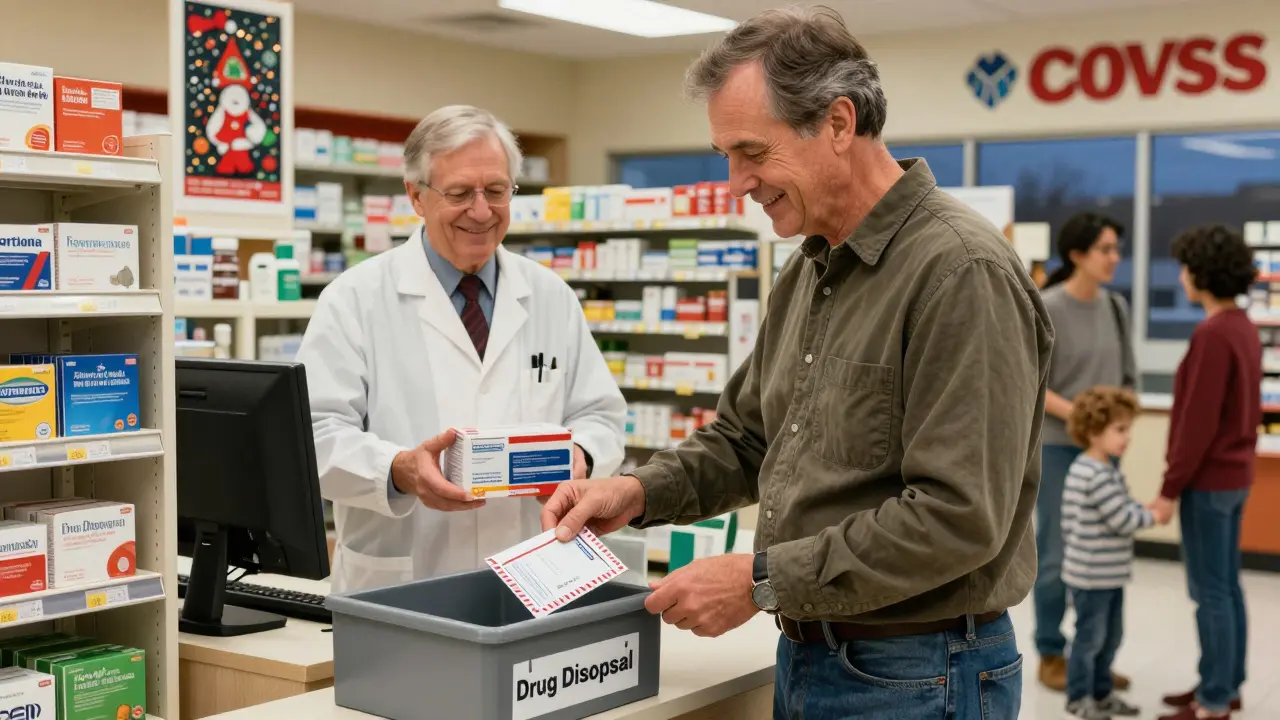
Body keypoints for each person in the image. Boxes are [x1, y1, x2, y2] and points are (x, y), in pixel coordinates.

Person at [539, 7, 1054, 719]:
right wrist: (635, 493)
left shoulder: (959, 273)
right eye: (725, 155)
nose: (736, 183)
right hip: (815, 655)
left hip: (919, 672)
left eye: (752, 151)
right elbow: (749, 439)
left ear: (838, 123)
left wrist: (758, 581)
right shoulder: (811, 268)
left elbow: (958, 517)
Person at [296, 105, 627, 594]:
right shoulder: (354, 299)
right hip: (402, 581)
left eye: (496, 191)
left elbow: (602, 414)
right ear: (416, 196)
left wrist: (582, 454)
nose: (481, 210)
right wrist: (398, 470)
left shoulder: (550, 295)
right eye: (459, 193)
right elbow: (314, 436)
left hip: (534, 574)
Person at [1154, 224, 1259, 720]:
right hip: (1236, 477)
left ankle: (1214, 701)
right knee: (1227, 585)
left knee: (1210, 591)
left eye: (1185, 266)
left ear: (1201, 272)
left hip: (1209, 481)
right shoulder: (1243, 326)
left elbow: (1196, 423)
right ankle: (1225, 683)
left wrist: (1168, 488)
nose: (1180, 274)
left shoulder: (1213, 333)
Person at [1034, 212, 1137, 692]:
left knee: (1105, 555)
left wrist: (1114, 430)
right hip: (1058, 449)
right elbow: (1031, 382)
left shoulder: (1116, 307)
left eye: (1117, 249)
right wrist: (1085, 418)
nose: (1115, 258)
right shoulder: (1047, 306)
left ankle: (1090, 655)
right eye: (1106, 249)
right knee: (1056, 554)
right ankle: (1051, 651)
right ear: (1077, 254)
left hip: (1105, 455)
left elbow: (1128, 379)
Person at [1060, 386, 1155, 720]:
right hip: (1091, 577)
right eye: (1120, 429)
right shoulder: (1095, 474)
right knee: (1090, 639)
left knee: (1110, 637)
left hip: (1108, 574)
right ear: (1094, 430)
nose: (1127, 437)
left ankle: (1101, 693)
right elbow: (1123, 518)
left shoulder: (1103, 468)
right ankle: (1079, 696)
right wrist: (1155, 514)